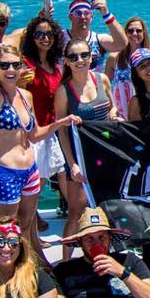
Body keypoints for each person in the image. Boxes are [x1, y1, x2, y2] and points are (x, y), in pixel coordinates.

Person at [0, 7, 81, 248]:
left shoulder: (25, 96)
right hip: (6, 172)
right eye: (5, 65)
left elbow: (34, 134)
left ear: (22, 67)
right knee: (5, 230)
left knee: (26, 225)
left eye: (15, 65)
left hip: (30, 171)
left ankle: (31, 265)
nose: (11, 70)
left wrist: (60, 123)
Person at [54, 39, 116, 258]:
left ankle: (105, 257)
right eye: (73, 57)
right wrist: (71, 164)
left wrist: (115, 113)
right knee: (75, 212)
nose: (79, 60)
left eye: (83, 55)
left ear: (91, 57)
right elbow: (61, 130)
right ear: (67, 62)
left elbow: (112, 106)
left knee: (107, 209)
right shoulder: (63, 91)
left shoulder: (103, 79)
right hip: (80, 158)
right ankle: (66, 262)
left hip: (105, 156)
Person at [18, 15, 68, 226]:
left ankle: (32, 215)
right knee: (32, 182)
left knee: (44, 178)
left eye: (49, 34)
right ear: (31, 37)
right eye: (39, 34)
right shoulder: (25, 65)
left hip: (50, 130)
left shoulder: (55, 66)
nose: (45, 38)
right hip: (31, 133)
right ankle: (28, 221)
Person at [61, 0, 128, 71]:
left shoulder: (98, 40)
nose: (83, 17)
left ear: (91, 17)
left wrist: (106, 14)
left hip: (93, 82)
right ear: (70, 17)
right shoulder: (60, 38)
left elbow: (122, 44)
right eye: (78, 13)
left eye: (86, 13)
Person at [105, 16, 150, 116]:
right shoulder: (114, 58)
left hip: (143, 111)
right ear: (125, 33)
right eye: (130, 31)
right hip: (120, 112)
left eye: (138, 30)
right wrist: (112, 108)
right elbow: (105, 86)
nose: (134, 34)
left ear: (144, 34)